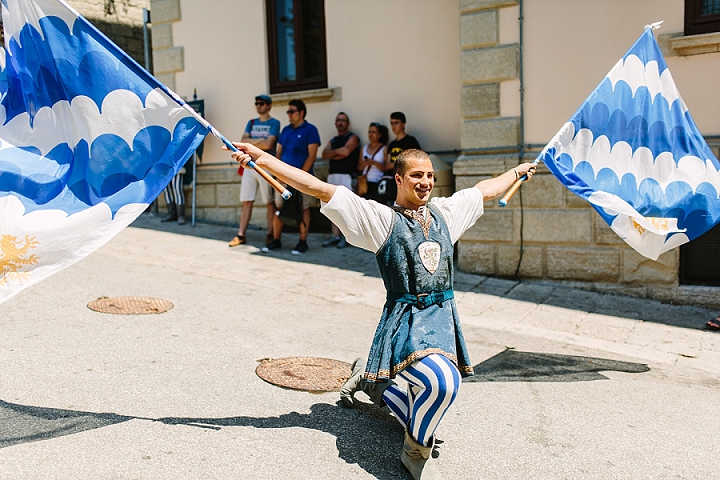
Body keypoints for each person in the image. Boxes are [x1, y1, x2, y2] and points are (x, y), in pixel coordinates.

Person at [229, 143, 536, 479]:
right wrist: (265, 159)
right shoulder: (380, 220)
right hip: (404, 324)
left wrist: (517, 172)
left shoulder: (446, 214)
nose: (426, 182)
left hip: (442, 322)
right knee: (443, 386)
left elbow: (483, 191)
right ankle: (414, 452)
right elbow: (319, 187)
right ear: (399, 179)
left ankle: (377, 386)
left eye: (430, 175)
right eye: (417, 175)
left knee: (432, 392)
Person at [262, 99, 321, 255]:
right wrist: (278, 173)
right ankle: (276, 239)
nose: (288, 114)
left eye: (291, 111)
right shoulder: (286, 130)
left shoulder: (311, 130)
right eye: (288, 111)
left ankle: (302, 241)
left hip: (303, 179)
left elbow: (312, 156)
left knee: (303, 208)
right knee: (279, 207)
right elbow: (279, 153)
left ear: (301, 113)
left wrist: (299, 177)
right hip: (283, 179)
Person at [229, 94, 281, 247]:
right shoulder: (251, 122)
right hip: (248, 164)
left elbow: (270, 144)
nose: (259, 105)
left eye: (262, 103)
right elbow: (243, 141)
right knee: (247, 200)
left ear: (269, 106)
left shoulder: (274, 123)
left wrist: (251, 143)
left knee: (269, 202)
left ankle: (271, 233)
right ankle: (241, 235)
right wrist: (259, 142)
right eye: (257, 103)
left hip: (265, 165)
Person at [321, 112, 360, 248]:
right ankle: (335, 236)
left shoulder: (353, 137)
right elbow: (324, 154)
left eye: (343, 120)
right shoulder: (333, 140)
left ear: (348, 123)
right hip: (333, 175)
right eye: (338, 120)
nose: (340, 122)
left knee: (346, 208)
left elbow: (346, 152)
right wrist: (338, 152)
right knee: (332, 207)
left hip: (347, 176)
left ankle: (346, 237)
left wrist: (335, 153)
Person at [378, 111, 422, 205]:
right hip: (392, 183)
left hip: (406, 182)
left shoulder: (410, 141)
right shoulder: (392, 144)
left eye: (396, 123)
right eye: (392, 123)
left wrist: (396, 164)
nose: (394, 126)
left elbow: (416, 161)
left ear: (403, 124)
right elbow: (387, 165)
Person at [358, 122, 389, 202]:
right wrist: (365, 164)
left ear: (379, 135)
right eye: (369, 132)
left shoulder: (384, 148)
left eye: (374, 132)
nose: (371, 135)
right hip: (365, 183)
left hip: (377, 182)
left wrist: (374, 163)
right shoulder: (363, 148)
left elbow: (386, 168)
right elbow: (359, 167)